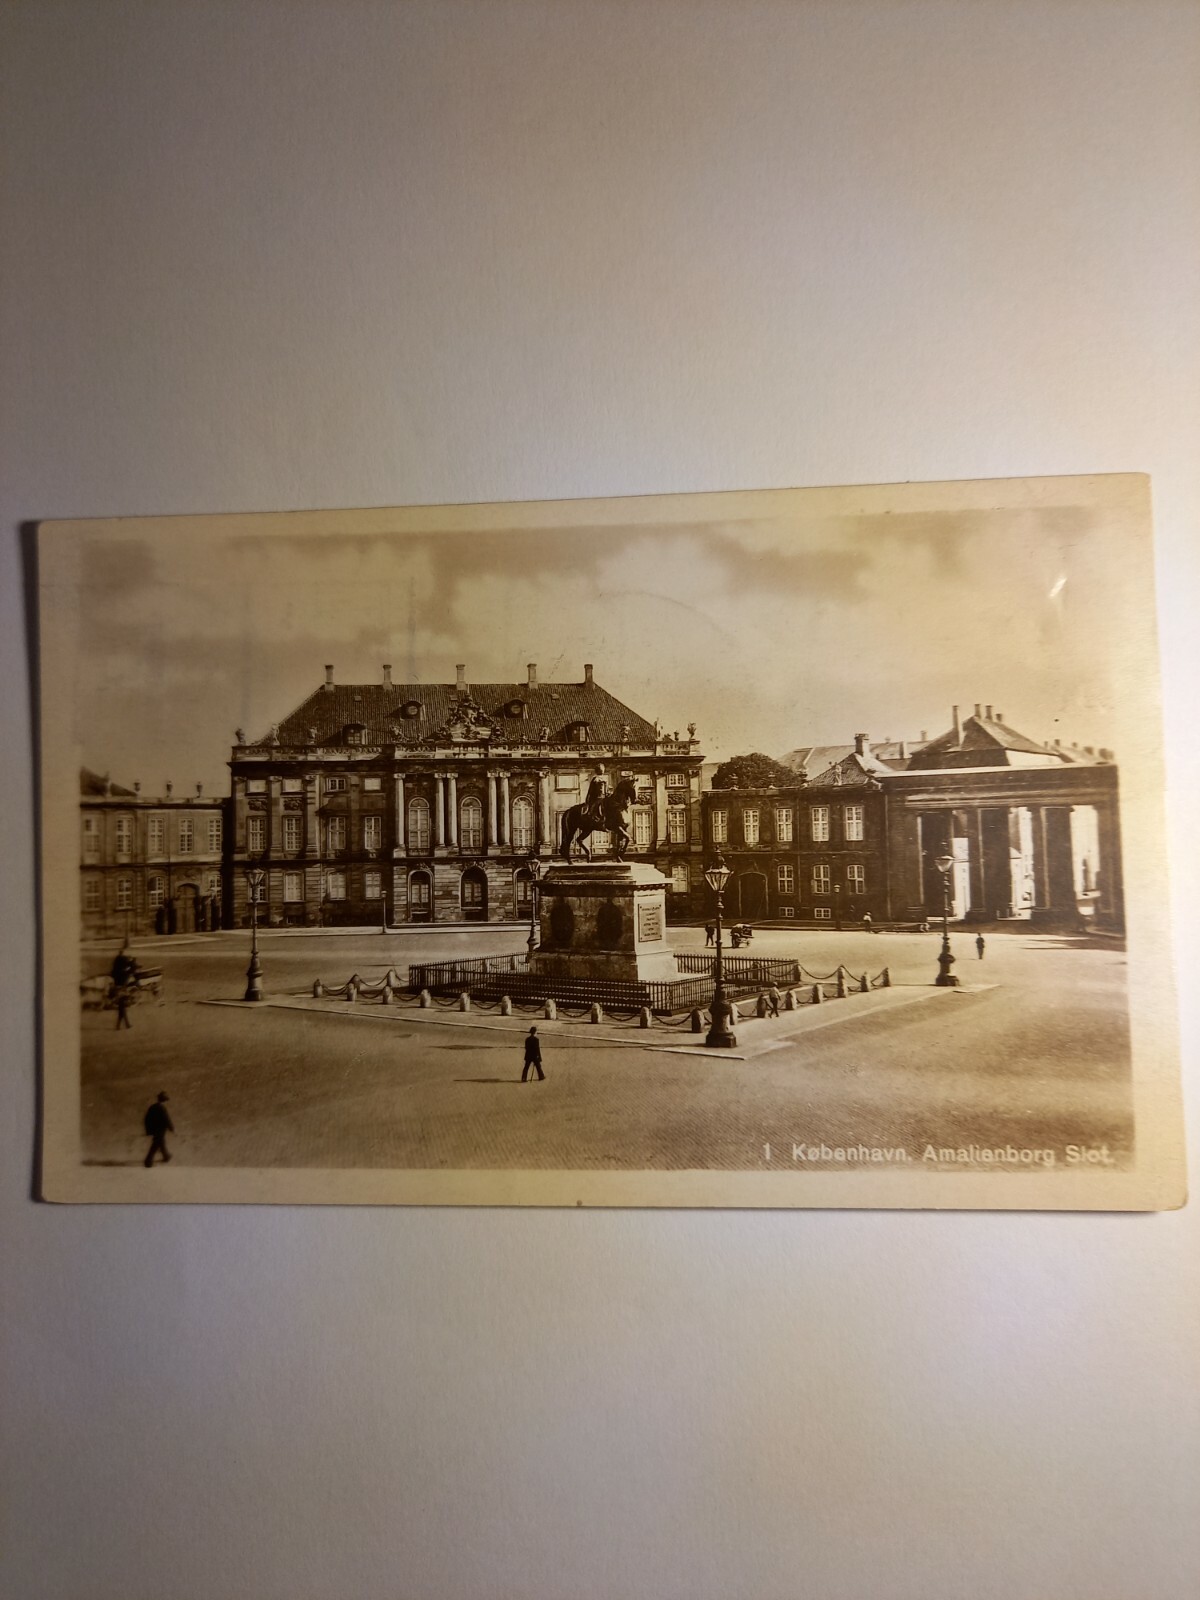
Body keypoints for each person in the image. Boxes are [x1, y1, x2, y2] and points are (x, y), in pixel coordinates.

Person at [143, 1092, 174, 1166]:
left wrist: (149, 1130)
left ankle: (166, 1156)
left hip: (154, 1130)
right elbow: (166, 1119)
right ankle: (148, 1161)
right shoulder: (162, 1108)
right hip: (160, 1130)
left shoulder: (152, 1107)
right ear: (165, 1100)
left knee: (161, 1143)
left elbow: (147, 1119)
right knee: (156, 1145)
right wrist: (171, 1128)